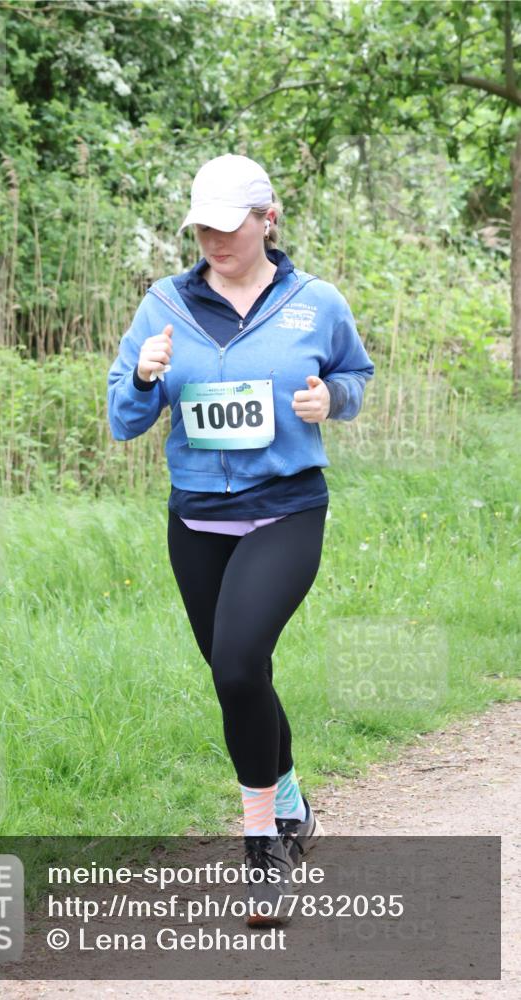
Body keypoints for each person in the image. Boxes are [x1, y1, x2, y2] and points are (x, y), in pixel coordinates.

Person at [107, 153, 375, 926]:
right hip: (194, 520)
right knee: (241, 674)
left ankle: (262, 847)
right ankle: (292, 804)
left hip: (286, 511)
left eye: (228, 227)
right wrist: (145, 379)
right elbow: (123, 420)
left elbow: (355, 377)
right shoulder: (162, 303)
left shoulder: (314, 302)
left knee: (234, 663)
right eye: (201, 229)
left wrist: (333, 396)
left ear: (268, 218)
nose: (214, 242)